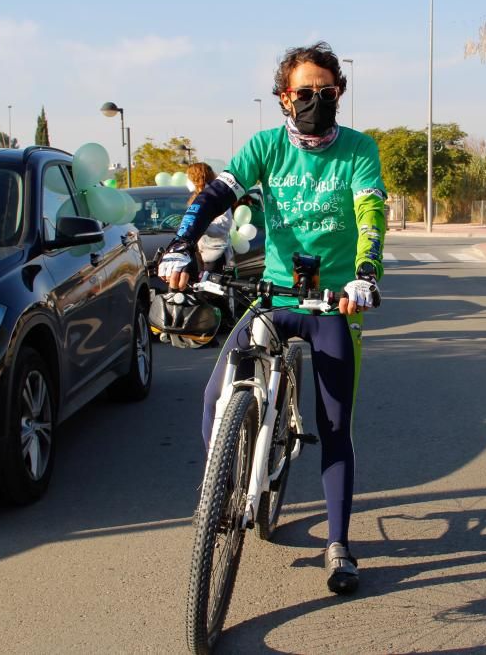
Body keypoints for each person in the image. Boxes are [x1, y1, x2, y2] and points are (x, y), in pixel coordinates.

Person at [158, 41, 386, 595]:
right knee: (217, 395)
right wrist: (182, 243)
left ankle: (338, 543)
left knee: (335, 426)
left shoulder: (358, 150)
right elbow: (218, 192)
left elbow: (370, 213)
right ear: (284, 98)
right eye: (303, 92)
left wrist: (365, 272)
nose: (315, 100)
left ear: (339, 94)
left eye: (325, 92)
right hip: (275, 295)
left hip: (334, 300)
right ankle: (222, 489)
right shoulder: (265, 145)